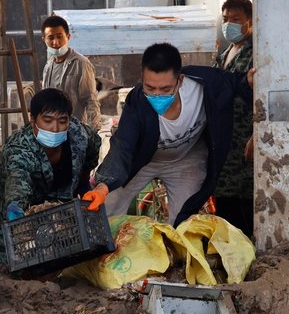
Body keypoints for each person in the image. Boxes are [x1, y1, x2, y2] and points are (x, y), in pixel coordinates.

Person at [81, 43, 254, 227]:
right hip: (143, 161)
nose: (156, 95)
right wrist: (102, 187)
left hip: (186, 160)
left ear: (180, 80)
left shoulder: (206, 83)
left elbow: (237, 82)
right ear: (142, 79)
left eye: (165, 89)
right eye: (150, 88)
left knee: (183, 223)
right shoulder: (137, 102)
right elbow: (124, 146)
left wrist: (248, 82)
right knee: (108, 206)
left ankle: (175, 254)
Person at [0, 88, 101, 267]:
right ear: (33, 121)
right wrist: (16, 212)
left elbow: (93, 147)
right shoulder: (19, 150)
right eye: (47, 121)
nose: (55, 128)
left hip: (63, 222)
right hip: (22, 224)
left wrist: (84, 184)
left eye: (62, 121)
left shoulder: (78, 134)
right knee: (8, 271)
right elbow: (18, 184)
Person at [212, 0, 255, 237]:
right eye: (226, 19)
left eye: (236, 19)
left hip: (244, 142)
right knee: (225, 204)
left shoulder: (257, 53)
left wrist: (256, 134)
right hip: (224, 143)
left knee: (246, 203)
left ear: (249, 21)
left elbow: (264, 98)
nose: (230, 24)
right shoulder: (225, 53)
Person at [41, 15, 101, 131]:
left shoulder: (81, 63)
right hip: (53, 130)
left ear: (68, 37)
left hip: (75, 130)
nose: (56, 42)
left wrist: (92, 132)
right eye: (50, 37)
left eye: (60, 36)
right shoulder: (48, 66)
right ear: (44, 40)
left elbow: (91, 101)